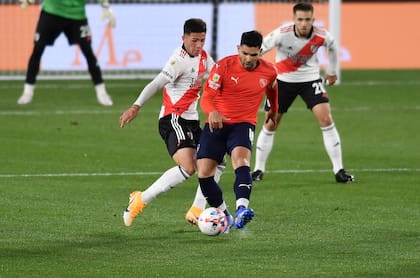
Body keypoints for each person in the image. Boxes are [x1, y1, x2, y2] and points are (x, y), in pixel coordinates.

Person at [120, 18, 225, 227]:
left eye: (202, 40)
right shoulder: (178, 60)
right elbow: (157, 83)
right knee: (189, 165)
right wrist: (136, 106)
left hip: (192, 121)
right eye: (194, 40)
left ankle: (197, 209)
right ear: (184, 38)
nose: (198, 45)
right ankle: (140, 199)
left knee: (217, 160)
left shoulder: (204, 57)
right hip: (173, 119)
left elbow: (219, 76)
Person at [251, 2, 354, 183]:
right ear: (294, 20)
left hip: (310, 80)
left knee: (326, 119)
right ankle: (258, 169)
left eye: (307, 19)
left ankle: (339, 170)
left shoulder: (322, 35)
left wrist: (331, 71)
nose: (304, 23)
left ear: (313, 20)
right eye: (300, 19)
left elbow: (333, 48)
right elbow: (259, 50)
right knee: (270, 122)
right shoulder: (282, 34)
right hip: (282, 82)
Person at [195, 30, 278, 232]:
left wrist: (273, 110)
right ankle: (225, 216)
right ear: (238, 49)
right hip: (217, 123)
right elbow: (206, 96)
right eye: (245, 53)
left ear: (261, 52)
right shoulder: (223, 66)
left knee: (241, 161)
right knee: (204, 173)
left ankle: (242, 209)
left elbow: (273, 91)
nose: (248, 59)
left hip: (243, 124)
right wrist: (212, 111)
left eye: (253, 54)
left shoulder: (269, 71)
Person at [17, 0, 115, 106]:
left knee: (88, 53)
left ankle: (102, 93)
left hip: (77, 15)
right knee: (37, 50)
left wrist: (106, 7)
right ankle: (27, 92)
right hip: (52, 11)